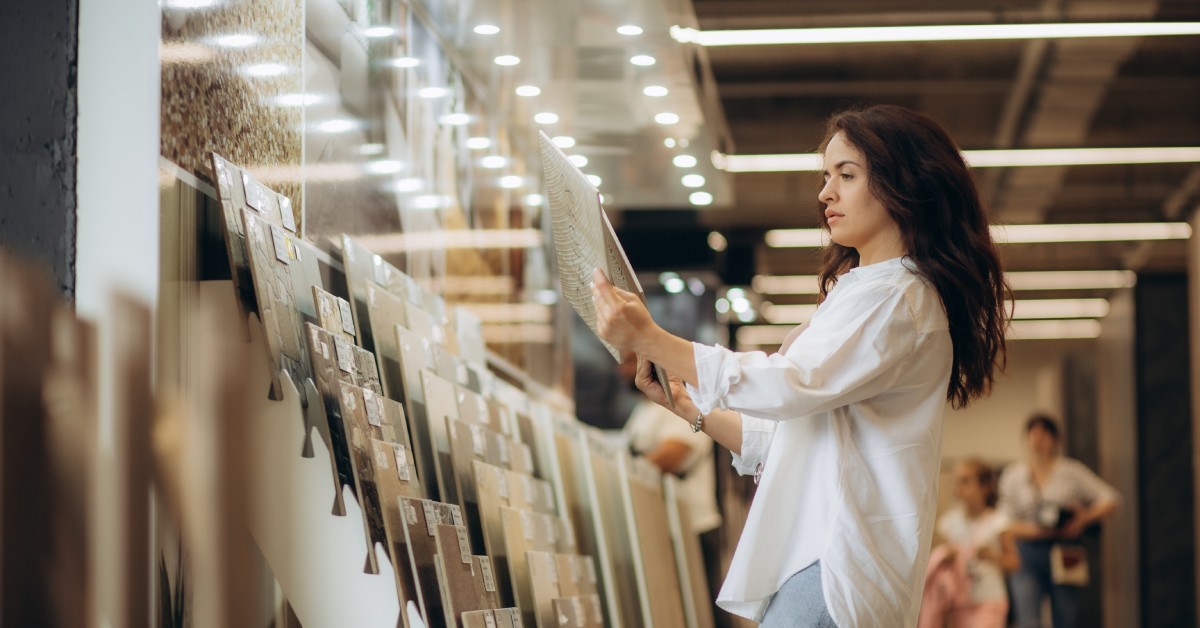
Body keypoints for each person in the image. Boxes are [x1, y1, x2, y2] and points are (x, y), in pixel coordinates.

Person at [590, 103, 1009, 627]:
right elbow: (784, 434)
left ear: (903, 185)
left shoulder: (899, 297)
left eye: (847, 175)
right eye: (826, 176)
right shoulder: (869, 292)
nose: (825, 193)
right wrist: (683, 402)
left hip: (835, 568)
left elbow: (790, 386)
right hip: (816, 564)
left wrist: (652, 338)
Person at [997, 414, 1119, 628]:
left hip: (1067, 549)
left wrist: (1084, 518)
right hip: (1026, 552)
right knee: (1028, 620)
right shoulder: (1013, 475)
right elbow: (1004, 520)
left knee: (1066, 617)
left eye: (1044, 433)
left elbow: (1111, 499)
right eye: (1033, 433)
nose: (1038, 439)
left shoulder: (1071, 471)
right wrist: (1039, 531)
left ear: (1054, 439)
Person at [917, 458, 1019, 628]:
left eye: (965, 481)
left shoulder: (999, 521)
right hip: (958, 603)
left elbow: (1014, 563)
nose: (959, 487)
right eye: (956, 481)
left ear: (984, 487)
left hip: (988, 600)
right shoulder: (948, 523)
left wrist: (993, 557)